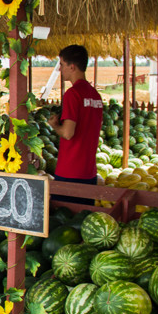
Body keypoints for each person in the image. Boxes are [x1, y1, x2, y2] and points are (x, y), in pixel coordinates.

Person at [47, 45, 104, 205]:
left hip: (70, 171)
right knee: (84, 221)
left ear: (72, 67)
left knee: (64, 220)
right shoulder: (96, 95)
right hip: (89, 172)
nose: (60, 69)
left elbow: (67, 133)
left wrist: (55, 125)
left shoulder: (73, 94)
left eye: (62, 64)